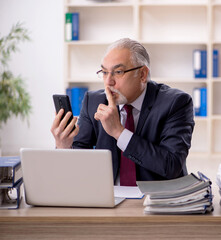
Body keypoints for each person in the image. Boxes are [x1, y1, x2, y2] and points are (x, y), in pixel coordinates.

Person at [51, 38, 195, 186]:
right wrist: (64, 146)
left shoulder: (176, 103)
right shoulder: (93, 102)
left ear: (142, 74)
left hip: (156, 200)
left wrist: (119, 132)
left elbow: (171, 166)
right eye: (105, 72)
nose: (108, 82)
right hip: (108, 200)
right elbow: (80, 166)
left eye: (118, 72)